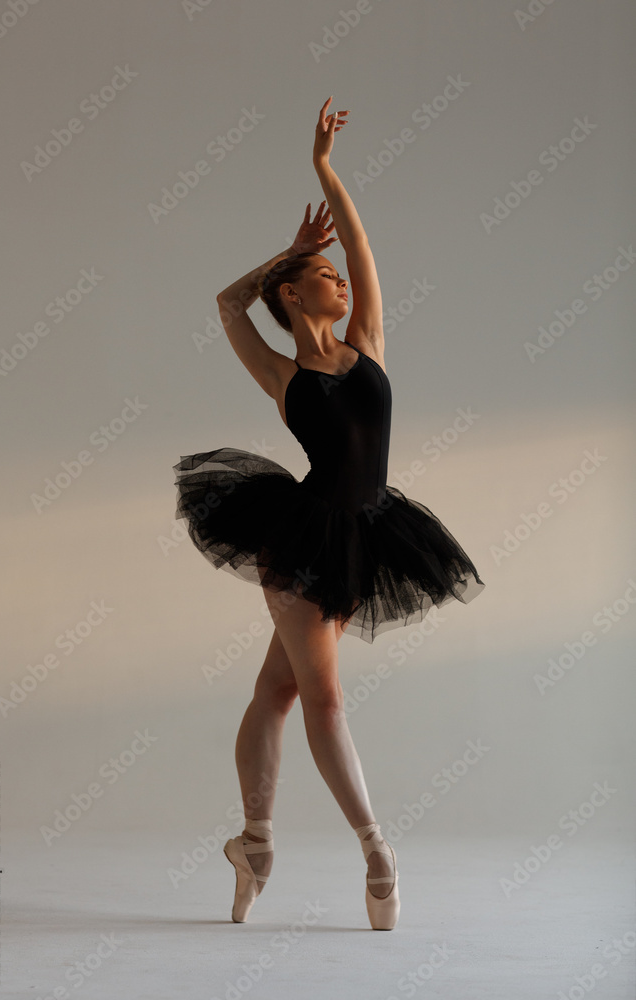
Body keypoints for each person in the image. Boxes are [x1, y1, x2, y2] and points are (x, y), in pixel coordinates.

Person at [173, 97, 485, 930]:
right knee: (323, 699)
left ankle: (253, 843)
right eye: (325, 275)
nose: (341, 280)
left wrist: (324, 171)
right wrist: (290, 249)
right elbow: (226, 305)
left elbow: (363, 241)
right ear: (292, 291)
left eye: (339, 274)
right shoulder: (281, 375)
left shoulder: (370, 343)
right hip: (302, 536)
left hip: (370, 532)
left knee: (275, 692)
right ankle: (377, 851)